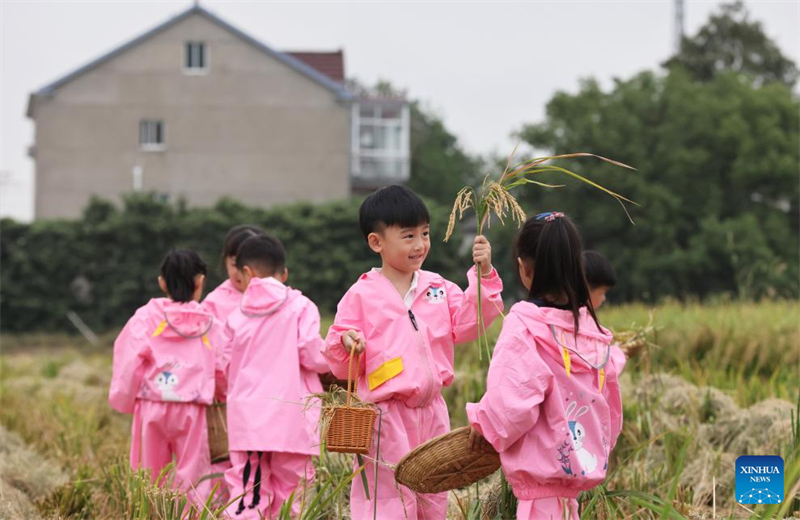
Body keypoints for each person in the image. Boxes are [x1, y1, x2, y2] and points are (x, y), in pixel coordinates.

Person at [323, 185, 504, 520]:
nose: (420, 244)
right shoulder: (361, 295)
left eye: (425, 233)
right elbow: (337, 353)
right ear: (376, 242)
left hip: (433, 412)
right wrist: (348, 342)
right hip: (385, 417)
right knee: (386, 497)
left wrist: (483, 274)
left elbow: (469, 324)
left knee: (433, 493)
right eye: (408, 236)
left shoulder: (438, 288)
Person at [466, 212, 626, 520]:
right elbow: (610, 409)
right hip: (572, 492)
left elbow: (511, 404)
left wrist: (483, 424)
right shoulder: (590, 331)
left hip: (538, 498)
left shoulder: (524, 325)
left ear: (524, 268)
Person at [222, 234, 329, 519]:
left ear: (247, 272)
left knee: (248, 493)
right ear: (284, 274)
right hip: (292, 419)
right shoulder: (301, 307)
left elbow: (224, 366)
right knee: (296, 493)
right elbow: (312, 354)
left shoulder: (236, 315)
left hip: (247, 423)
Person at [109, 249, 226, 504]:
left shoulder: (146, 317)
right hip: (193, 410)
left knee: (147, 477)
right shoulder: (211, 323)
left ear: (162, 282)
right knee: (193, 481)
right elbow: (222, 367)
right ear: (200, 282)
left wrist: (125, 400)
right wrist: (222, 395)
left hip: (152, 405)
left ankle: (150, 513)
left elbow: (129, 362)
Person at [203, 225, 265, 320]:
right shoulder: (213, 304)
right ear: (225, 260)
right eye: (235, 264)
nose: (241, 272)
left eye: (248, 264)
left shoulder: (279, 299)